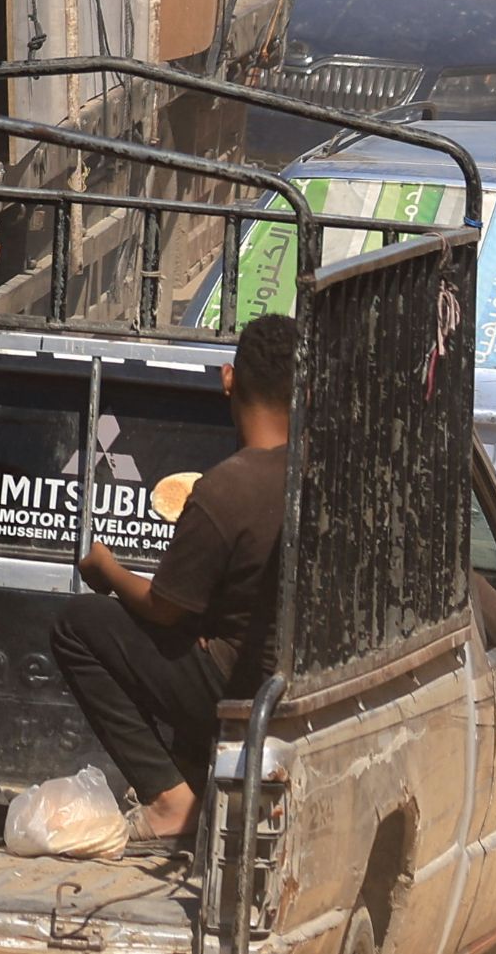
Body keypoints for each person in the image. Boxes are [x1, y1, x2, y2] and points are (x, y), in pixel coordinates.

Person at [51, 313, 292, 850]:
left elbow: (164, 607)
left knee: (78, 624)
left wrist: (108, 571)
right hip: (292, 680)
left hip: (242, 688)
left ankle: (170, 802)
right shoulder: (317, 478)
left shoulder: (227, 488)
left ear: (229, 379)